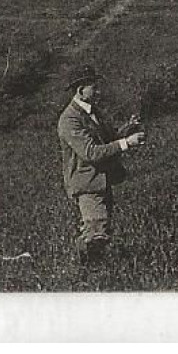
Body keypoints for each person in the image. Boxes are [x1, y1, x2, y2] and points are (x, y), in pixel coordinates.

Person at [57, 65, 145, 266]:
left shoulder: (92, 112)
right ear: (80, 90)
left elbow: (106, 138)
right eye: (94, 87)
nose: (98, 91)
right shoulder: (69, 120)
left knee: (99, 230)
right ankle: (89, 273)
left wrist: (127, 128)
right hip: (87, 184)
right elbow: (91, 152)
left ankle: (87, 270)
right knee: (97, 233)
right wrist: (126, 143)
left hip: (100, 181)